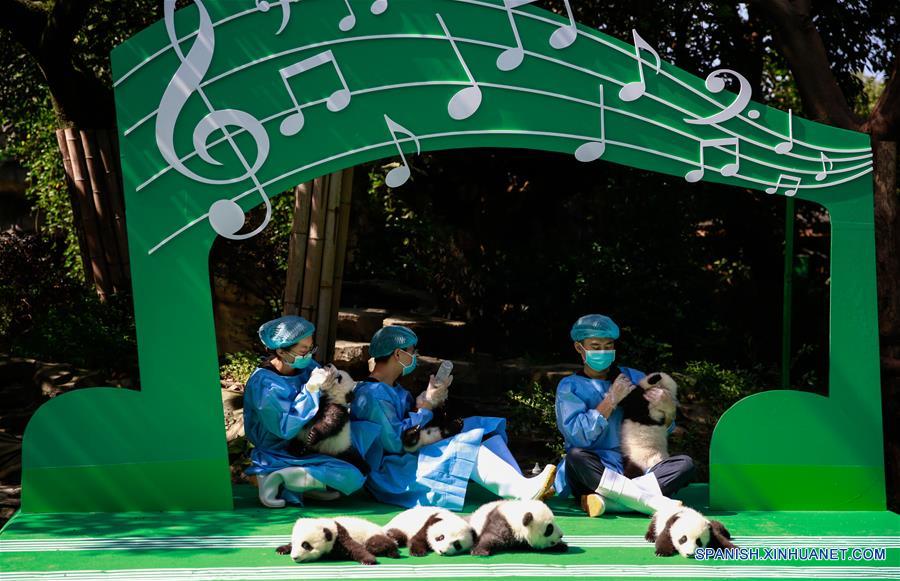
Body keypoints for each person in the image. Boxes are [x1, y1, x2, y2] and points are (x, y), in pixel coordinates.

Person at [350, 325, 556, 511]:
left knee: (481, 429)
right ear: (397, 353)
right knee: (466, 445)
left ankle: (521, 483)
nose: (416, 357)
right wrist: (426, 407)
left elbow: (410, 424)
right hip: (394, 475)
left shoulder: (395, 390)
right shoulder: (372, 394)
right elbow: (396, 443)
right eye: (413, 352)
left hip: (409, 458)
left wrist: (428, 402)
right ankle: (523, 491)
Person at [555, 314, 695, 517]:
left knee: (685, 464)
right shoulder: (569, 387)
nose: (603, 351)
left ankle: (611, 502)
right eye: (595, 346)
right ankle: (648, 500)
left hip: (636, 466)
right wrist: (610, 400)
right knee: (575, 458)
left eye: (608, 345)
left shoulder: (635, 377)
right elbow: (578, 437)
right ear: (579, 348)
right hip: (596, 467)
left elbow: (659, 429)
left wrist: (668, 410)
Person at [243, 315, 368, 507]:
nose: (309, 354)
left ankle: (294, 483)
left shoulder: (306, 365)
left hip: (306, 448)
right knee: (348, 475)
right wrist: (309, 390)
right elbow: (283, 428)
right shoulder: (264, 383)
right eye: (304, 350)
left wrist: (331, 382)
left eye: (311, 348)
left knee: (354, 475)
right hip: (276, 451)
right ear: (281, 351)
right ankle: (275, 477)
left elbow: (324, 390)